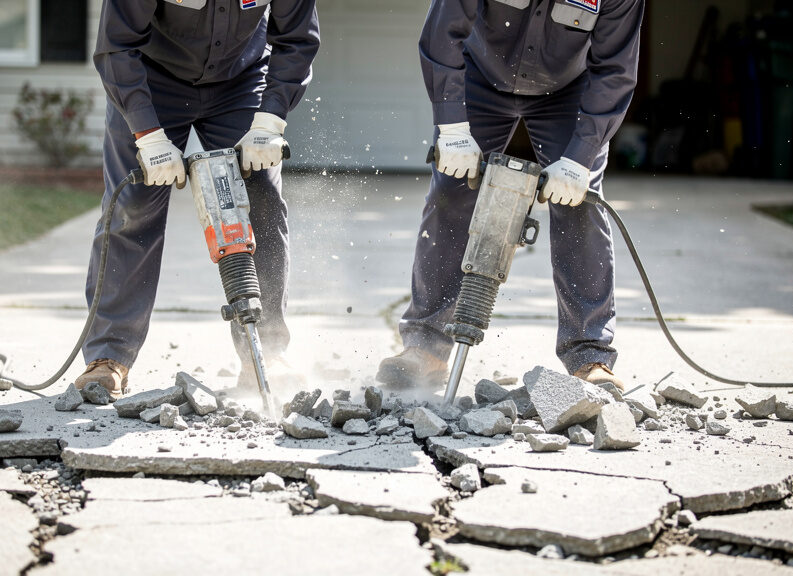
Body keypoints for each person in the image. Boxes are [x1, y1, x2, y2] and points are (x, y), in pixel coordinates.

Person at [377, 0, 644, 392]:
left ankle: (589, 356)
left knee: (579, 204)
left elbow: (616, 69)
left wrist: (580, 159)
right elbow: (442, 32)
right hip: (480, 79)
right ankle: (426, 348)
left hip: (567, 92)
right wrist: (451, 127)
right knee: (452, 192)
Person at [75, 0, 320, 400]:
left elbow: (297, 38)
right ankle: (107, 356)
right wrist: (148, 135)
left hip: (242, 79)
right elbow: (116, 45)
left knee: (259, 199)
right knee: (132, 208)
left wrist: (269, 121)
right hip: (149, 80)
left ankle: (266, 352)